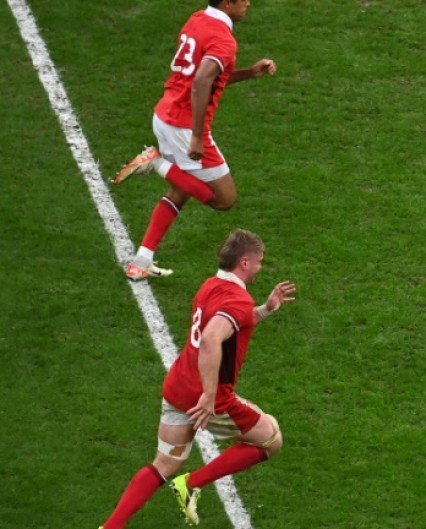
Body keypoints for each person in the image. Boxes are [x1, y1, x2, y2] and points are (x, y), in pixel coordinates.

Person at [98, 229, 296, 528]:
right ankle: (191, 483)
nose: (260, 267)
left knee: (164, 464)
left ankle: (110, 527)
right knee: (270, 439)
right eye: (259, 262)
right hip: (206, 397)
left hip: (178, 386)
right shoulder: (237, 299)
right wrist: (209, 395)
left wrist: (266, 309)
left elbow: (232, 326)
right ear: (244, 262)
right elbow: (212, 338)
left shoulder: (210, 286)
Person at [112, 0, 278, 280]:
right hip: (184, 127)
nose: (248, 3)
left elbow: (206, 78)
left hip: (165, 116)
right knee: (224, 199)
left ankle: (141, 261)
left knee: (181, 189)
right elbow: (201, 81)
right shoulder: (223, 39)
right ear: (227, 3)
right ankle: (155, 163)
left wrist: (249, 72)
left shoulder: (197, 19)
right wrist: (198, 137)